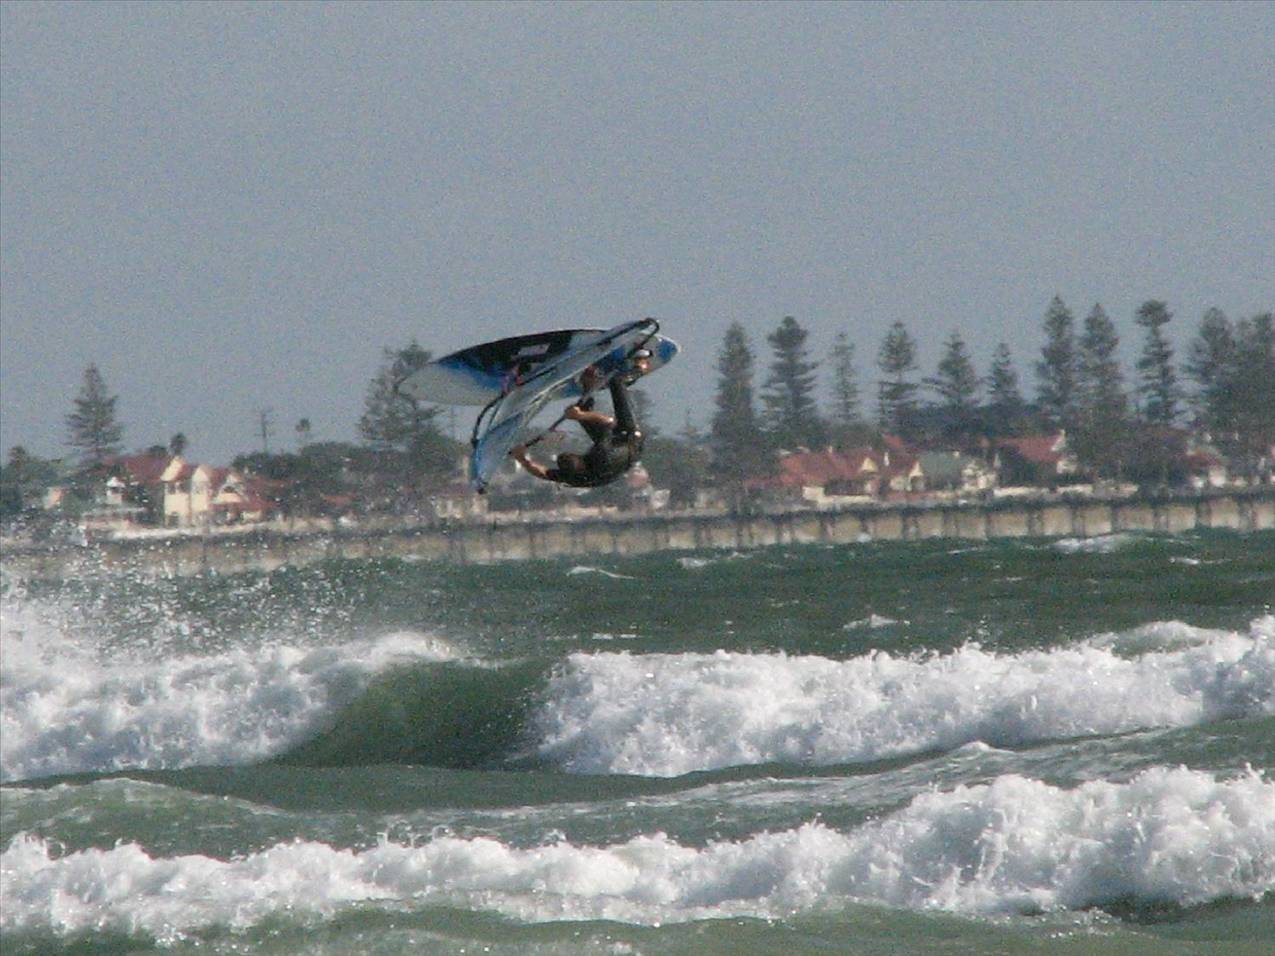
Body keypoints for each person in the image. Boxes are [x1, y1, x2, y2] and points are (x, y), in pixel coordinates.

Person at [511, 353, 650, 488]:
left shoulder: (570, 476)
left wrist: (522, 459)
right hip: (630, 438)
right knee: (617, 381)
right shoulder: (601, 454)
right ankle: (641, 367)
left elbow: (543, 473)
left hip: (611, 455)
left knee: (582, 408)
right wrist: (580, 416)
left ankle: (589, 380)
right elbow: (610, 422)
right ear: (581, 465)